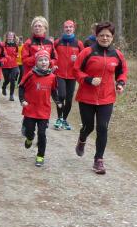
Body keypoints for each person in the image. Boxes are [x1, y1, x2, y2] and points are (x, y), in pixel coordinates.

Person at [74, 21, 128, 175]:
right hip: (87, 96)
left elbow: (122, 71)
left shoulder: (117, 54)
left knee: (102, 127)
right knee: (88, 126)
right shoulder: (87, 52)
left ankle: (98, 160)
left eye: (108, 36)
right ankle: (82, 139)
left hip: (107, 97)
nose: (105, 38)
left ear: (112, 37)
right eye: (102, 35)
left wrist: (120, 83)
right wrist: (88, 79)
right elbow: (76, 70)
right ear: (96, 36)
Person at [19, 50, 61, 167]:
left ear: (49, 62)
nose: (43, 62)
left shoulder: (52, 77)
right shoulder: (31, 74)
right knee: (29, 131)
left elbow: (54, 90)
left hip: (44, 110)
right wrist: (22, 100)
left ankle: (40, 156)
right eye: (41, 60)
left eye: (46, 60)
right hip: (30, 109)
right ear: (36, 62)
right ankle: (29, 138)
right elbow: (21, 87)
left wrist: (58, 101)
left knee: (42, 134)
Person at [53, 20, 84, 130]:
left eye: (70, 27)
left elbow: (84, 59)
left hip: (72, 75)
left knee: (69, 100)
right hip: (59, 74)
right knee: (61, 96)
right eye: (66, 27)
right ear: (63, 28)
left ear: (74, 29)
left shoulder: (78, 43)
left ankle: (64, 119)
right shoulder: (57, 42)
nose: (68, 29)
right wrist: (53, 65)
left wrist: (78, 58)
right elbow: (52, 56)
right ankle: (59, 118)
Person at [1, 31, 21, 100]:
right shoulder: (4, 44)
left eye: (12, 36)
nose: (10, 37)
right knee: (7, 80)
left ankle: (11, 95)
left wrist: (16, 55)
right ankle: (4, 87)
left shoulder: (15, 45)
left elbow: (16, 52)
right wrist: (7, 56)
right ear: (6, 37)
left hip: (14, 64)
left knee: (12, 79)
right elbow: (4, 53)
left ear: (13, 37)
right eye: (9, 36)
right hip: (5, 65)